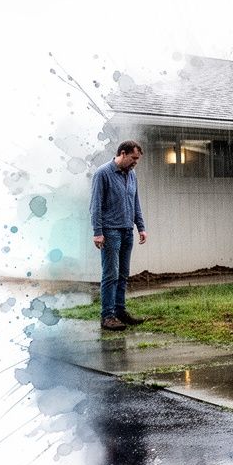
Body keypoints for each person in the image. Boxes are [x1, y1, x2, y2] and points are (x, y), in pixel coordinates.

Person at [90, 140, 148, 331]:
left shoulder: (132, 175)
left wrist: (141, 226)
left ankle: (120, 311)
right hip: (109, 231)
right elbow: (95, 205)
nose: (135, 163)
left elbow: (135, 202)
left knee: (123, 274)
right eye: (133, 158)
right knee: (110, 274)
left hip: (127, 231)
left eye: (137, 159)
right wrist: (97, 232)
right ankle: (107, 316)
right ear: (122, 153)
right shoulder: (102, 174)